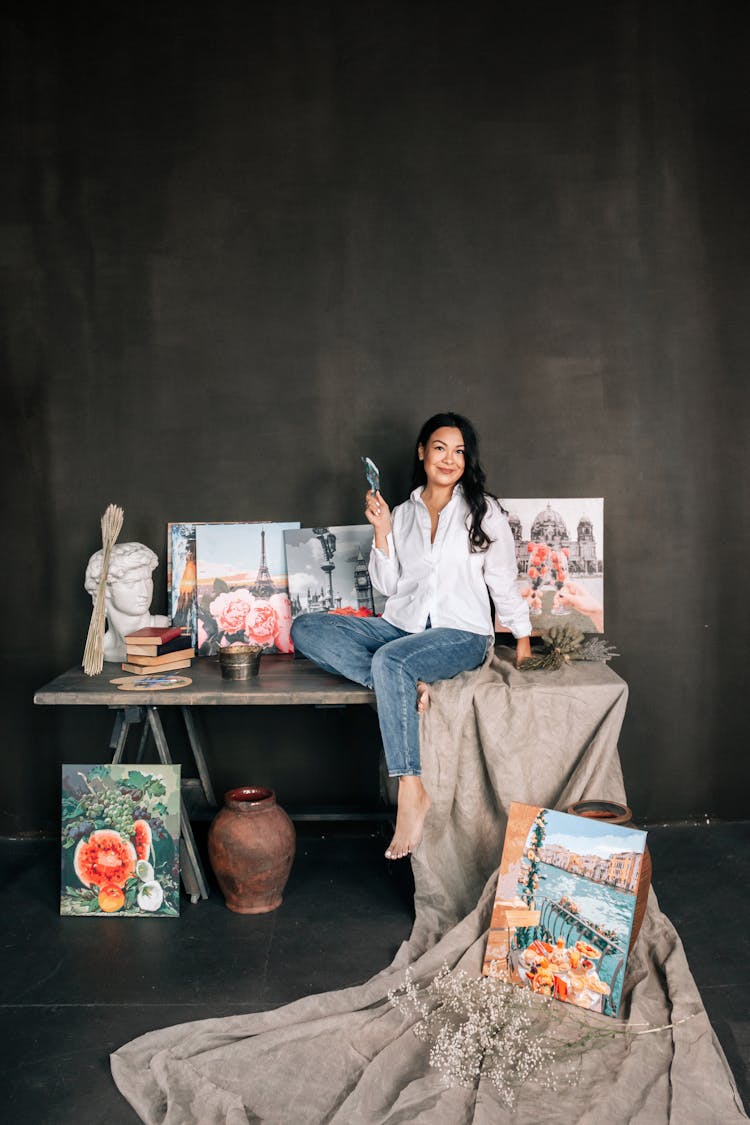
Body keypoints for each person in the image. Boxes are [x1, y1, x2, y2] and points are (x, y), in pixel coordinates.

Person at [291, 412, 532, 860]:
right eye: (440, 448)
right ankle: (405, 683)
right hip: (400, 626)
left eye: (459, 451)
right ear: (422, 452)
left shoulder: (484, 512)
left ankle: (411, 786)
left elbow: (502, 581)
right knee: (305, 628)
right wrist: (381, 531)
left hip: (461, 632)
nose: (450, 459)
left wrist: (522, 637)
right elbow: (387, 586)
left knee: (391, 661)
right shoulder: (402, 514)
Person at [84, 542, 170, 662]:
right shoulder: (100, 647)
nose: (144, 592)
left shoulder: (164, 627)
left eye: (147, 580)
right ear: (106, 590)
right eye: (130, 583)